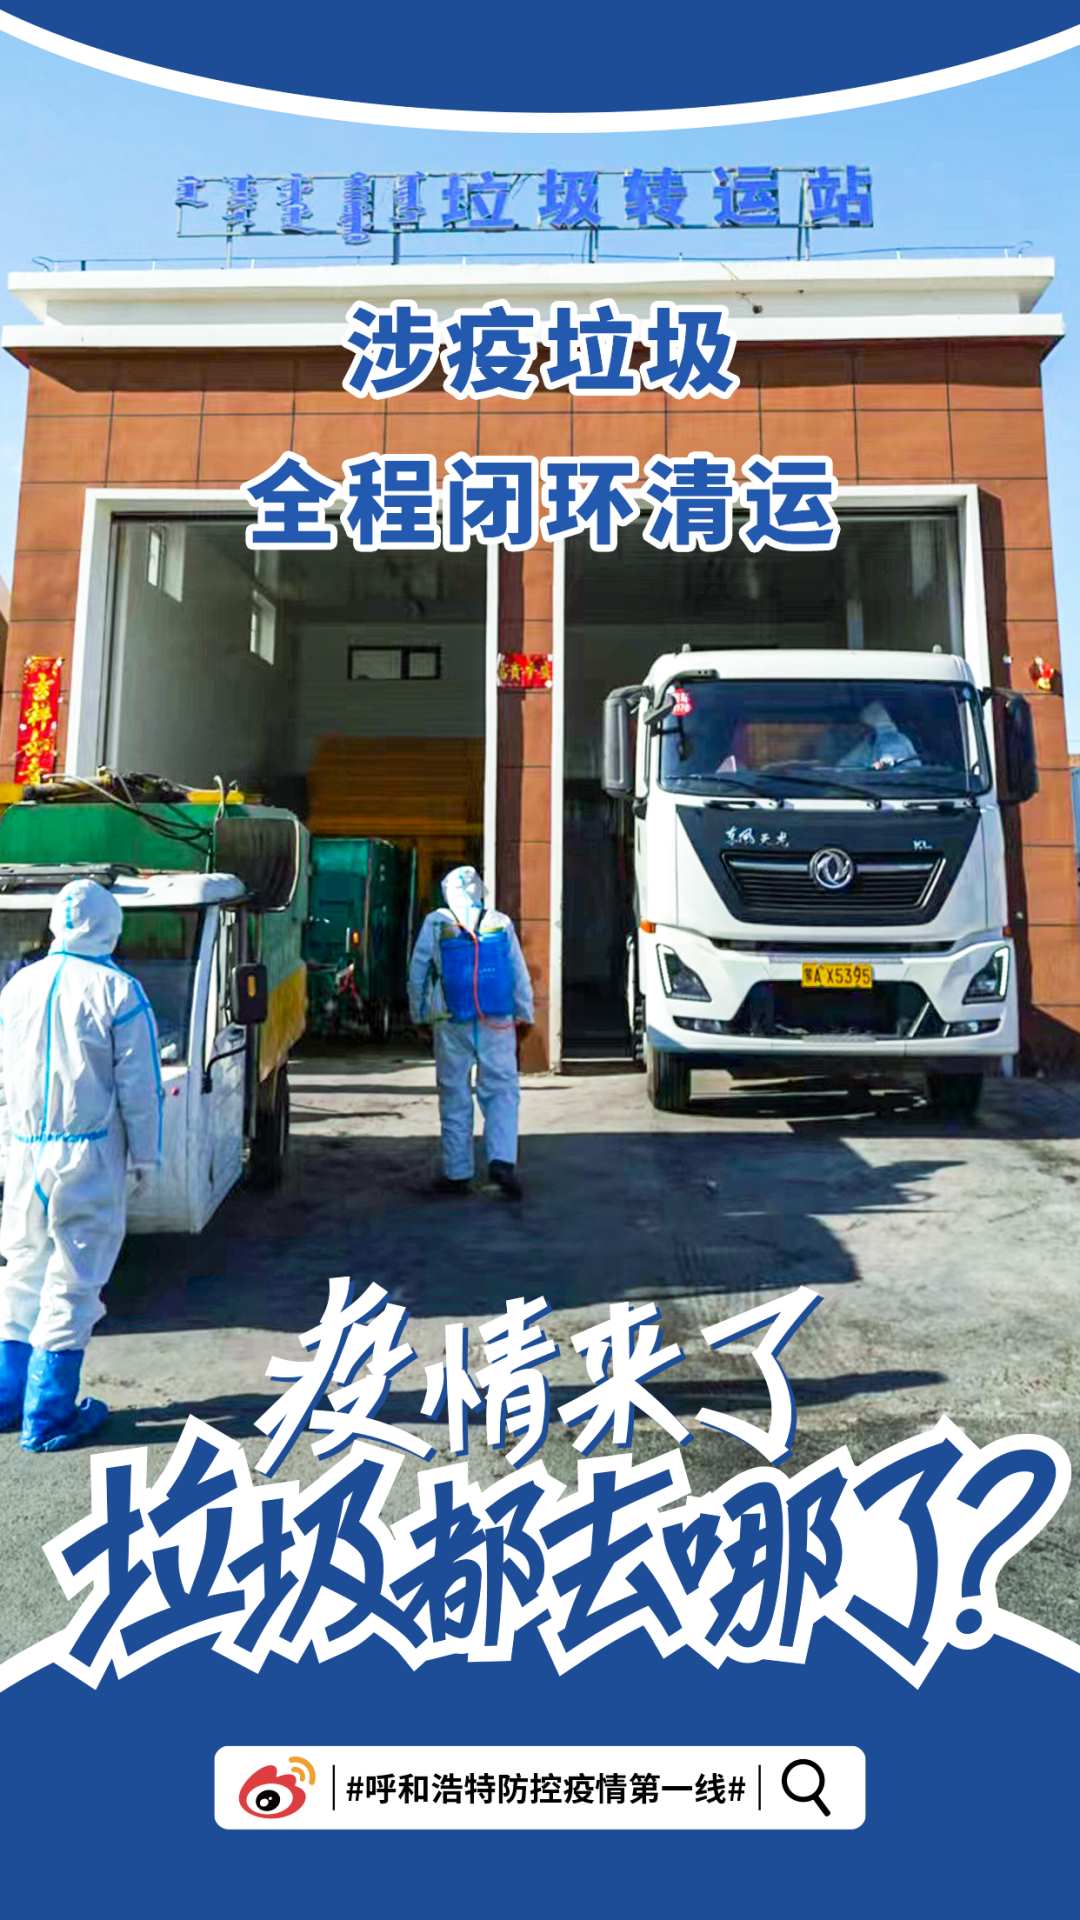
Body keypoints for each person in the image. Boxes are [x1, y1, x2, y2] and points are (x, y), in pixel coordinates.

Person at [0, 878, 163, 1451]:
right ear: (111, 926)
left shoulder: (18, 987)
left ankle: (7, 1398)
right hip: (85, 1156)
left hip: (24, 1150)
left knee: (21, 1271)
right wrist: (146, 1157)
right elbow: (140, 1087)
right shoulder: (119, 992)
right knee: (74, 1278)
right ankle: (48, 1417)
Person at [408, 865, 534, 1200]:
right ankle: (502, 1162)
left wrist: (419, 1015)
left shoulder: (437, 922)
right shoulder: (499, 922)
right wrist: (525, 1015)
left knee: (454, 1093)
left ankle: (457, 1173)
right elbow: (518, 972)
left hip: (451, 1019)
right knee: (502, 1090)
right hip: (497, 1019)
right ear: (480, 891)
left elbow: (418, 971)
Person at [838, 699, 919, 772]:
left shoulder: (892, 739)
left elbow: (889, 762)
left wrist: (882, 764)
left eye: (863, 726)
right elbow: (843, 767)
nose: (860, 730)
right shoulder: (869, 743)